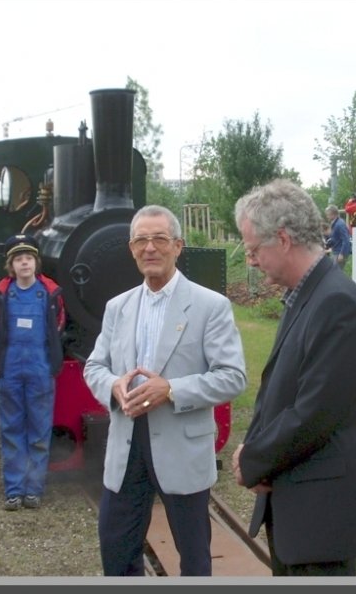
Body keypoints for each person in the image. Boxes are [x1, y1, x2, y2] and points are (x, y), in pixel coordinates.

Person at [232, 179, 356, 577]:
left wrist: (252, 459)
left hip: (323, 518)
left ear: (282, 239)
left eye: (253, 249)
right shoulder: (308, 294)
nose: (250, 260)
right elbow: (282, 392)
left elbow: (314, 413)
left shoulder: (336, 303)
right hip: (300, 506)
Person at [83, 205, 247, 576]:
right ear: (131, 249)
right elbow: (95, 367)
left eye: (159, 239)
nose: (150, 248)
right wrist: (114, 385)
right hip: (127, 447)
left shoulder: (210, 306)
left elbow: (233, 376)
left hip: (181, 446)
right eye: (141, 240)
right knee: (116, 549)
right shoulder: (117, 307)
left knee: (193, 558)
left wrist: (170, 389)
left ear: (178, 246)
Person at [0, 234, 65, 511]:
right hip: (10, 368)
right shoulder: (2, 293)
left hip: (39, 367)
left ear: (36, 262)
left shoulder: (49, 293)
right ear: (11, 265)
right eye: (19, 259)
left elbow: (58, 324)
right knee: (11, 430)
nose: (24, 263)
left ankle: (33, 488)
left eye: (29, 258)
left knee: (39, 431)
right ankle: (13, 489)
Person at [324, 205, 352, 270]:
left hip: (338, 253)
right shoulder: (335, 223)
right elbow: (335, 238)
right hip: (335, 251)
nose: (327, 217)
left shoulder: (340, 224)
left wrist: (342, 253)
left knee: (335, 273)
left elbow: (346, 239)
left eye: (328, 215)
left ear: (333, 214)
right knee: (334, 272)